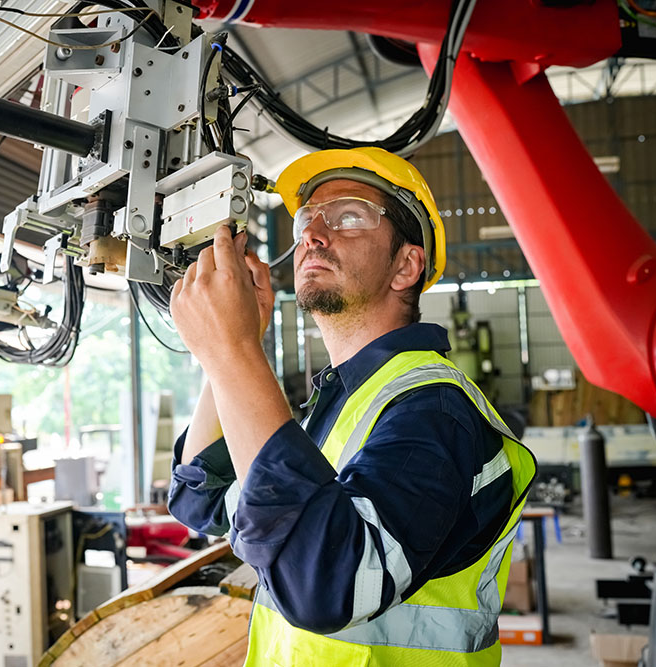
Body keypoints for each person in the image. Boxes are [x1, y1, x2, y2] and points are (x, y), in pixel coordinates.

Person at [167, 147, 537, 666]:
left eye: (347, 217)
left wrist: (234, 351)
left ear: (406, 265)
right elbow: (203, 500)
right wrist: (231, 349)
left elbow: (322, 585)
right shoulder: (340, 403)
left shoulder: (434, 411)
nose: (313, 234)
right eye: (306, 221)